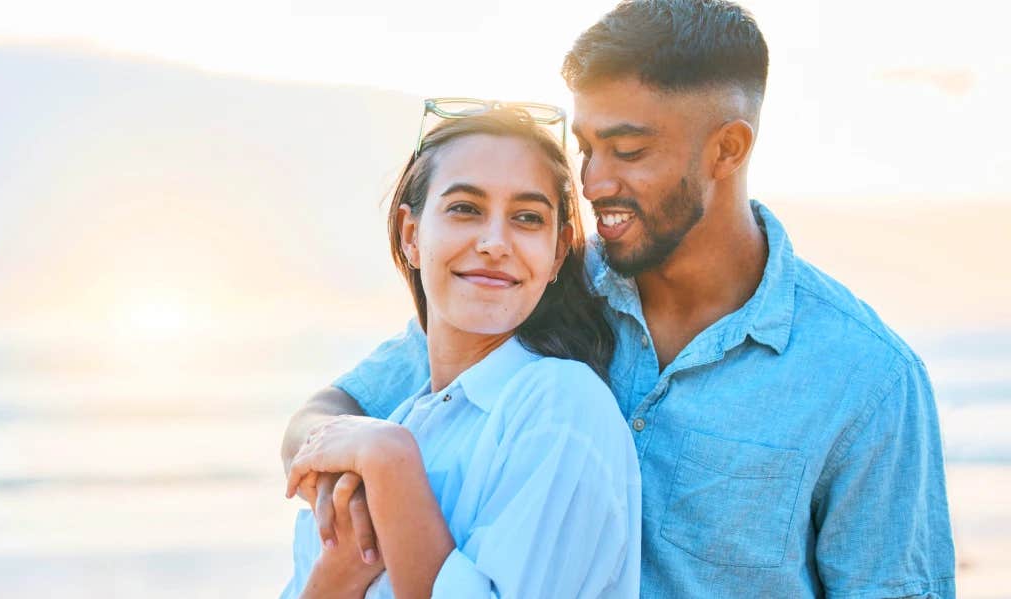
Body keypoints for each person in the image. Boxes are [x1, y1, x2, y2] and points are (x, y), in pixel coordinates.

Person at [281, 0, 955, 597]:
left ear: (728, 148)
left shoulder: (867, 381)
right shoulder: (540, 285)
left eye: (628, 150)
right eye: (586, 148)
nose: (595, 181)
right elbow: (336, 414)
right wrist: (348, 496)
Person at [280, 108, 642, 598]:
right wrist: (339, 574)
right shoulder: (396, 420)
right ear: (411, 235)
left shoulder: (562, 407)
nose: (495, 243)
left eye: (527, 218)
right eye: (465, 209)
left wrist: (392, 464)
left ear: (556, 254)